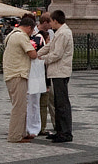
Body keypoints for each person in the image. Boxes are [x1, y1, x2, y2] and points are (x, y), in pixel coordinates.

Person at [39, 9, 75, 143]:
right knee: (57, 103)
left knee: (62, 103)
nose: (49, 25)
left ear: (55, 21)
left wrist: (42, 59)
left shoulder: (64, 33)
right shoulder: (59, 33)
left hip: (60, 72)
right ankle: (59, 131)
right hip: (57, 72)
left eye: (51, 22)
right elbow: (49, 47)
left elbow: (56, 54)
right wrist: (37, 53)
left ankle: (65, 133)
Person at [3, 14, 39, 143]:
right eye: (32, 30)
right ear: (29, 27)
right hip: (17, 75)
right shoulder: (21, 36)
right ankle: (15, 136)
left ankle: (22, 133)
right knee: (19, 107)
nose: (32, 33)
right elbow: (33, 54)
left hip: (12, 74)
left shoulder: (12, 35)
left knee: (22, 105)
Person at [26, 14, 48, 138]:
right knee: (28, 101)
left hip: (35, 72)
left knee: (34, 100)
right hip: (29, 71)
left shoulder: (38, 38)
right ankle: (27, 125)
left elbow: (36, 55)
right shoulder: (25, 37)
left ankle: (34, 127)